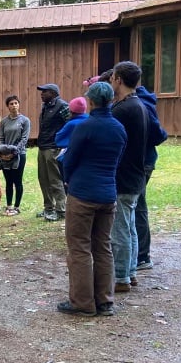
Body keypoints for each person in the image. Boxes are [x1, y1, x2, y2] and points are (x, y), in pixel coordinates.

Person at [57, 82, 127, 317]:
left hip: (83, 194)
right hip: (108, 194)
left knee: (79, 248)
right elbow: (118, 162)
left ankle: (82, 302)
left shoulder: (86, 127)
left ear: (93, 101)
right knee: (103, 246)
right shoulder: (118, 128)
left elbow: (69, 159)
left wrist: (68, 180)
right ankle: (105, 301)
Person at [109, 61, 149, 293]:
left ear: (119, 80)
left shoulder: (123, 110)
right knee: (130, 226)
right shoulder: (138, 105)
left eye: (113, 77)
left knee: (121, 229)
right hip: (135, 176)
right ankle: (131, 272)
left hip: (124, 177)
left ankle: (122, 276)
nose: (112, 81)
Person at [134, 85, 168, 271]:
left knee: (138, 205)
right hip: (138, 161)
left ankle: (142, 256)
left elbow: (158, 134)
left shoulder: (141, 105)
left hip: (142, 162)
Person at [36, 83, 70, 221]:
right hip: (43, 146)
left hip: (53, 147)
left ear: (53, 93)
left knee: (55, 179)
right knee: (43, 179)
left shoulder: (62, 106)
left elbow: (69, 124)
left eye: (45, 91)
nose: (41, 94)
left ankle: (61, 210)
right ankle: (48, 208)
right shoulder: (45, 106)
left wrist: (61, 143)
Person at [0, 95, 30, 216]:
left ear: (19, 104)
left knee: (18, 180)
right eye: (11, 104)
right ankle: (9, 205)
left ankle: (17, 206)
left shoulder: (25, 120)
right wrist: (2, 152)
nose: (14, 105)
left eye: (16, 103)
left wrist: (14, 152)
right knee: (8, 181)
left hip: (19, 155)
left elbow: (24, 138)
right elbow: (0, 137)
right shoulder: (4, 122)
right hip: (5, 155)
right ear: (7, 106)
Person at [55, 97, 89, 178]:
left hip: (71, 157)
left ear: (71, 111)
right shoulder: (90, 120)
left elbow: (58, 139)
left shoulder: (71, 124)